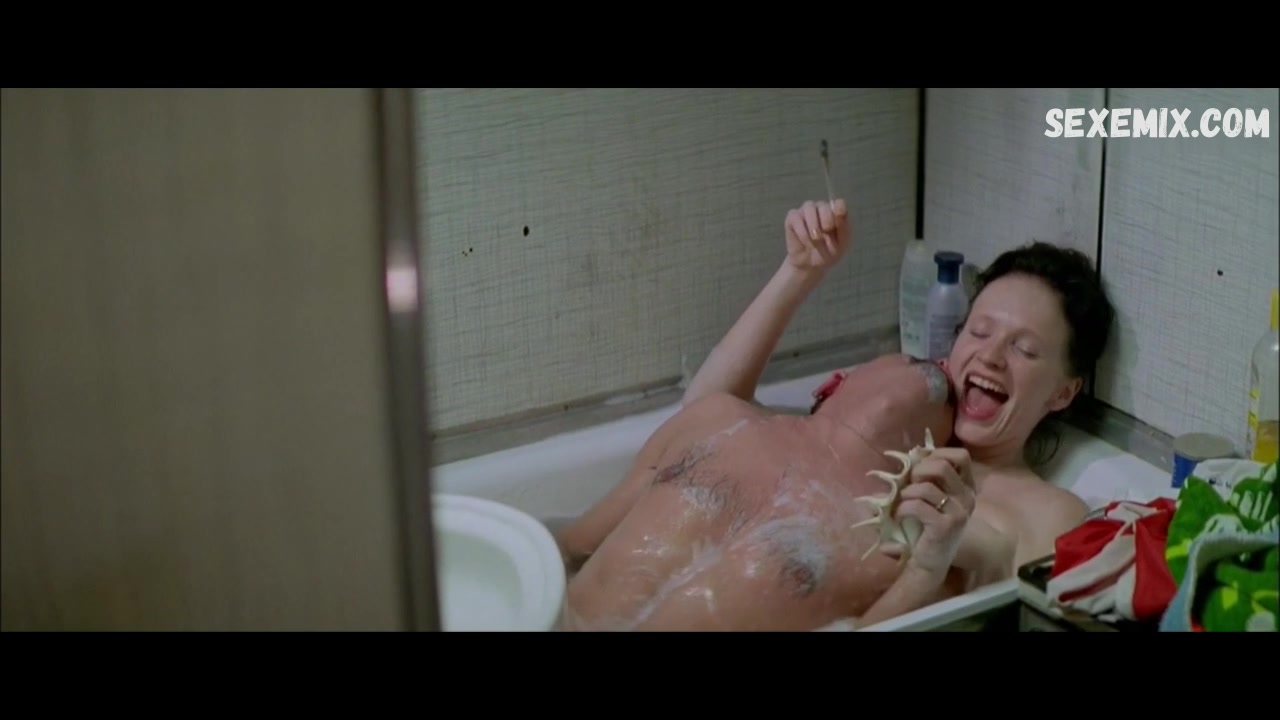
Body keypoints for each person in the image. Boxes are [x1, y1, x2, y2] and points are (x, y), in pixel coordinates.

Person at [554, 198, 1113, 631]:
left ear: (1064, 392)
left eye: (1024, 349)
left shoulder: (1044, 511)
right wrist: (799, 271)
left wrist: (955, 557)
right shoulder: (877, 446)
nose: (988, 356)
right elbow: (709, 420)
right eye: (979, 331)